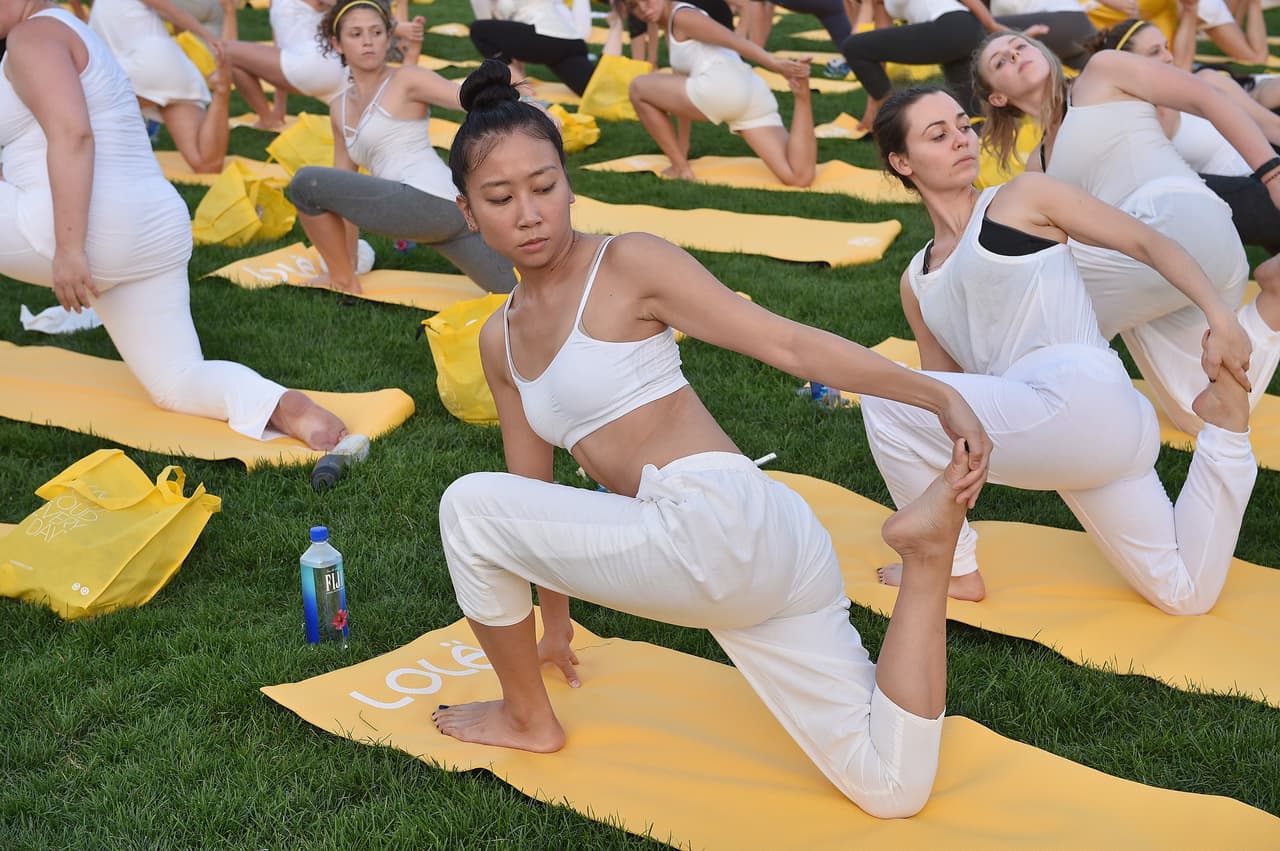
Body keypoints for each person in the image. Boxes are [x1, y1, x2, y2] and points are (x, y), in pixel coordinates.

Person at [432, 59, 994, 818]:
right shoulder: (500, 341)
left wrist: (936, 394)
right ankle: (927, 561)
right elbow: (536, 497)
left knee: (467, 507)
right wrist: (555, 627)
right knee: (890, 788)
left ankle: (526, 717)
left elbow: (785, 344)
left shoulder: (627, 263)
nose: (529, 213)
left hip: (713, 528)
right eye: (501, 198)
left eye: (545, 186)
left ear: (569, 183)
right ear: (468, 210)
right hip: (763, 550)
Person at [866, 86, 1258, 612]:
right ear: (901, 161)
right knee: (1183, 594)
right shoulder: (916, 281)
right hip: (1073, 433)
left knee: (883, 397)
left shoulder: (1022, 198)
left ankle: (949, 568)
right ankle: (1228, 435)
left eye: (963, 125)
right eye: (938, 135)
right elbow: (948, 399)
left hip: (1079, 393)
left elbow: (1146, 242)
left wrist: (1221, 315)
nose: (962, 140)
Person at [1, 1, 348, 449]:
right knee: (177, 381)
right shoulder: (74, 30)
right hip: (154, 227)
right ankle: (281, 404)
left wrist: (69, 250)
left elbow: (73, 134)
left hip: (81, 227)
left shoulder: (32, 37)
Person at [973, 31, 1280, 436]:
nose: (1015, 54)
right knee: (1198, 413)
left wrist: (1272, 176)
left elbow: (1208, 99)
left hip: (1182, 221)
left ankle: (988, 389)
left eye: (1020, 47)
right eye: (1001, 61)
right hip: (1150, 268)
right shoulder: (1038, 165)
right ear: (997, 97)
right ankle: (1275, 292)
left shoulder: (1102, 73)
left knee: (1037, 312)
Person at [287, 0, 517, 294]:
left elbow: (467, 97)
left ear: (388, 37)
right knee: (516, 291)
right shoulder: (338, 108)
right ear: (338, 43)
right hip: (444, 217)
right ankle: (344, 276)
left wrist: (531, 110)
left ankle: (342, 280)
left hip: (435, 201)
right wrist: (350, 259)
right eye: (356, 34)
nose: (368, 41)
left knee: (306, 183)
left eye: (376, 32)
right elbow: (341, 192)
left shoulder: (407, 79)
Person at [1086, 17, 1280, 253]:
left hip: (1270, 167)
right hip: (1241, 197)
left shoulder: (1206, 80)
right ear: (1130, 67)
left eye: (1166, 47)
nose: (1168, 57)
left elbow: (1270, 126)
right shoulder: (1139, 120)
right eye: (1154, 52)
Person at [626, 0, 816, 185]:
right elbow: (680, 86)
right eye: (633, 5)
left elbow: (732, 40)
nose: (643, 8)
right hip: (751, 91)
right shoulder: (672, 21)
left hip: (722, 89)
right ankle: (802, 97)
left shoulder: (682, 16)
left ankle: (680, 169)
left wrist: (774, 64)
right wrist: (682, 148)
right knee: (798, 177)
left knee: (637, 88)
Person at [89, 0, 237, 173]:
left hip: (144, 65)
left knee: (76, 105)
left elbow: (172, 11)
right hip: (174, 67)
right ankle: (222, 92)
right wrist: (213, 41)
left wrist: (211, 39)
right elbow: (171, 13)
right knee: (207, 164)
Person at [220, 0, 350, 130]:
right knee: (233, 60)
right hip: (313, 65)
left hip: (319, 64)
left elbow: (352, 6)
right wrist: (279, 108)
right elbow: (280, 48)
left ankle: (267, 119)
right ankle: (268, 119)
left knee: (227, 51)